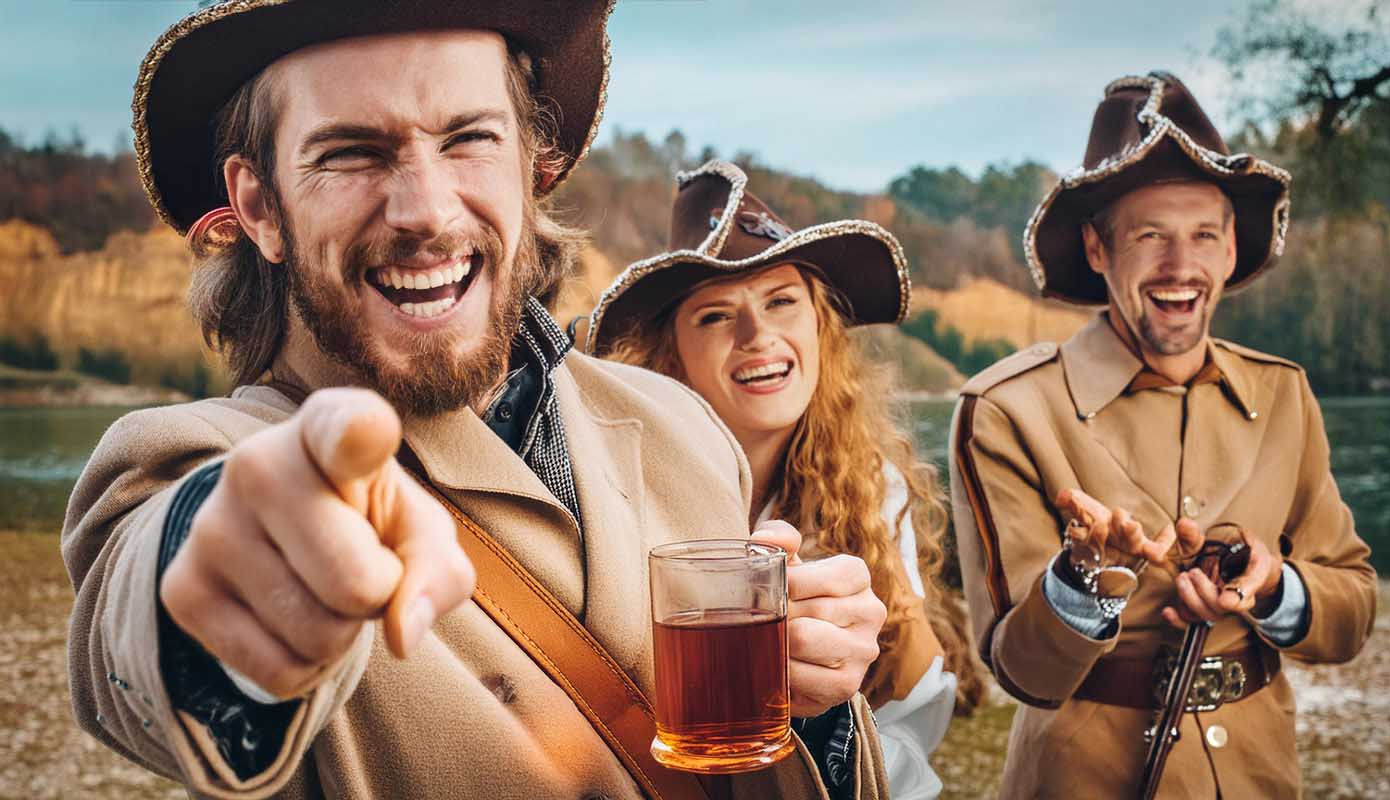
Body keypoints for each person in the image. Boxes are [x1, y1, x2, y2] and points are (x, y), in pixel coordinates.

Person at [61, 3, 894, 798]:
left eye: (469, 139)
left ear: (534, 168)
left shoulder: (680, 424)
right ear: (258, 208)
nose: (424, 210)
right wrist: (244, 562)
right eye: (351, 152)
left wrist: (809, 707)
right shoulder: (191, 458)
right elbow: (145, 637)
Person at [948, 71, 1377, 798]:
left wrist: (1275, 589)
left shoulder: (1285, 393)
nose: (1181, 267)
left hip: (1262, 774)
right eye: (1150, 236)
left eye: (1204, 235)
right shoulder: (1006, 410)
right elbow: (1024, 671)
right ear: (1096, 248)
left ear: (1232, 249)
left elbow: (1353, 610)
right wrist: (1088, 578)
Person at [588, 161, 983, 799]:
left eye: (781, 301)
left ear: (820, 326)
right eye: (716, 316)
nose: (757, 335)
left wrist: (832, 730)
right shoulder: (611, 487)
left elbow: (911, 721)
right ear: (672, 357)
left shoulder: (874, 487)